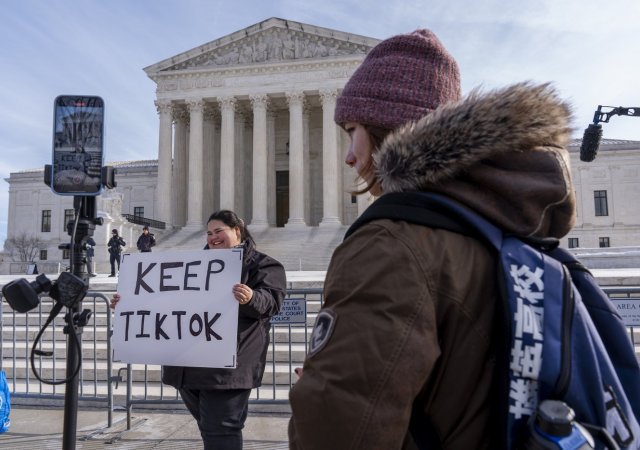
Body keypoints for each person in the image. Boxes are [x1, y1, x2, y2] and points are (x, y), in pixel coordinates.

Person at [288, 29, 576, 449]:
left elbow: (341, 422)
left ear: (388, 126)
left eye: (353, 130)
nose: (349, 155)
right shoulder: (495, 224)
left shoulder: (393, 244)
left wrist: (327, 381)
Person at [110, 210, 286, 449]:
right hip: (188, 367)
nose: (213, 237)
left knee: (221, 431)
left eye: (219, 231)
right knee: (210, 428)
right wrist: (129, 303)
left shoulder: (263, 266)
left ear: (237, 230)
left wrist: (251, 298)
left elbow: (271, 303)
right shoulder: (186, 267)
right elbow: (165, 302)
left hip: (227, 369)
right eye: (209, 233)